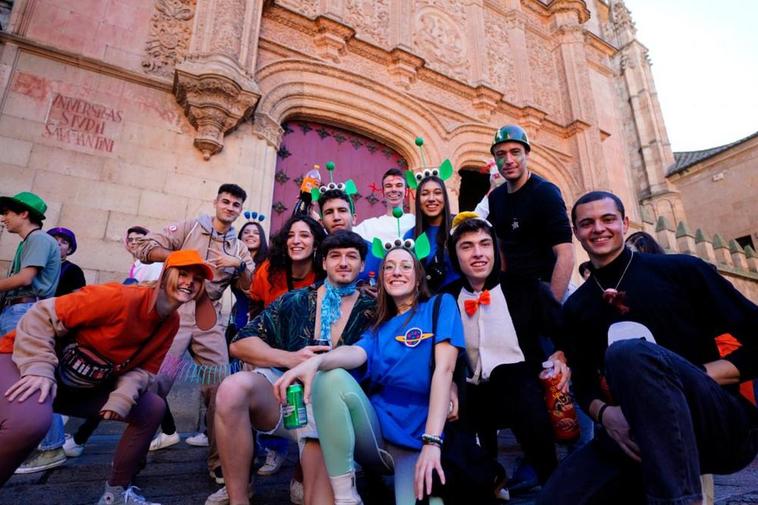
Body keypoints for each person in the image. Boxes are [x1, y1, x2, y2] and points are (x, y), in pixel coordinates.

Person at [538, 191, 758, 505]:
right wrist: (607, 415)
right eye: (586, 223)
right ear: (576, 234)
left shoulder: (683, 272)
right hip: (634, 429)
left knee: (627, 353)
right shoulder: (577, 307)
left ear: (625, 223)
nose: (598, 228)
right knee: (557, 497)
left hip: (717, 423)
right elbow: (584, 385)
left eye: (608, 219)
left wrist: (695, 377)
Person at [0, 250, 215, 505]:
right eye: (183, 273)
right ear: (166, 274)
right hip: (24, 363)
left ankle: (116, 493)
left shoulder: (172, 322)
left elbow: (145, 370)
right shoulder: (120, 297)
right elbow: (43, 314)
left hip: (81, 384)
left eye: (197, 279)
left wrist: (123, 396)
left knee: (152, 407)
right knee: (31, 422)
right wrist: (38, 366)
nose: (189, 282)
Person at [275, 244, 465, 505]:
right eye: (389, 267)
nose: (396, 272)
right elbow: (355, 353)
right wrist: (316, 362)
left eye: (405, 266)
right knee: (330, 376)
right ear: (382, 277)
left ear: (418, 276)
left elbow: (445, 370)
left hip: (420, 439)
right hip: (378, 436)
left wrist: (432, 443)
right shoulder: (378, 326)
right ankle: (346, 497)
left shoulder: (440, 306)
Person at [209, 231, 377, 505]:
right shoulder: (296, 300)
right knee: (231, 388)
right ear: (323, 263)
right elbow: (240, 343)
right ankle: (239, 498)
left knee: (316, 499)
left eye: (352, 257)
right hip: (288, 402)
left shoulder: (375, 308)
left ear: (362, 265)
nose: (343, 262)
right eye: (335, 256)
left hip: (334, 415)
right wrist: (289, 358)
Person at [135, 183, 255, 484]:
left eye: (235, 205)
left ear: (240, 210)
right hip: (175, 314)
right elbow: (145, 248)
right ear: (216, 202)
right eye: (225, 202)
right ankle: (133, 458)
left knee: (219, 388)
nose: (229, 208)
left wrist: (239, 265)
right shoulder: (189, 228)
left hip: (208, 320)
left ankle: (219, 463)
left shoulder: (238, 247)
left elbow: (249, 287)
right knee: (158, 381)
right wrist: (182, 258)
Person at [444, 212, 568, 485]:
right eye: (467, 246)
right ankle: (486, 480)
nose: (478, 253)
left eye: (484, 244)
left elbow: (564, 330)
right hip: (473, 392)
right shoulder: (447, 299)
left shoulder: (526, 289)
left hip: (522, 388)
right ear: (455, 255)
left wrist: (561, 354)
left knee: (518, 387)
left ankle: (550, 481)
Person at [0, 192, 62, 472]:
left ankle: (51, 447)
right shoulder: (31, 242)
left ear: (24, 214)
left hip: (23, 312)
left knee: (29, 379)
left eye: (8, 213)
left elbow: (25, 279)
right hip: (19, 311)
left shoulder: (38, 239)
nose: (3, 218)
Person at [485, 125, 574, 302]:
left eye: (515, 152)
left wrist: (551, 307)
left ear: (527, 154)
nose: (508, 160)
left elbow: (566, 254)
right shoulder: (496, 197)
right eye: (501, 154)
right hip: (516, 294)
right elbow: (502, 249)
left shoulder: (545, 192)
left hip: (549, 289)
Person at [249, 215, 326, 308]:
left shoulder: (325, 277)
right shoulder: (268, 270)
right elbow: (254, 305)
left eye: (304, 235)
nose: (296, 241)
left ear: (316, 244)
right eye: (290, 236)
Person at [404, 176, 459, 292]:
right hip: (428, 301)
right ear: (418, 200)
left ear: (445, 197)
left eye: (437, 193)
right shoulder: (410, 237)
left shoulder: (459, 227)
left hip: (463, 298)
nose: (431, 198)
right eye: (424, 194)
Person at [228, 218, 268, 339]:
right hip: (237, 318)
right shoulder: (231, 260)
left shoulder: (268, 263)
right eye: (246, 232)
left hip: (260, 320)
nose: (250, 234)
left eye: (256, 232)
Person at [353, 168, 414, 244]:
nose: (394, 189)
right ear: (382, 192)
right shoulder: (369, 226)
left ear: (406, 192)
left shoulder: (415, 222)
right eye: (388, 186)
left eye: (399, 185)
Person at [47, 227, 86, 297]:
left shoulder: (74, 270)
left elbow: (79, 298)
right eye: (54, 240)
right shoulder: (38, 263)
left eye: (64, 242)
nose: (58, 244)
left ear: (69, 250)